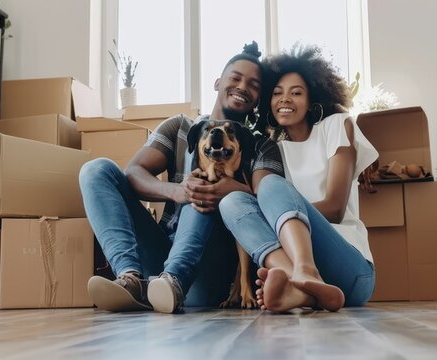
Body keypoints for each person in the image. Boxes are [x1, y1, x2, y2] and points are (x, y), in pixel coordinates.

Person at [80, 42, 284, 314]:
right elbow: (134, 173)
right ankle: (130, 280)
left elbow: (269, 199)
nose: (243, 87)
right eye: (235, 78)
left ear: (258, 98)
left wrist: (226, 188)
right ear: (217, 82)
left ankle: (175, 280)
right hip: (161, 251)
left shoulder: (262, 146)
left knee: (206, 183)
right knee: (96, 171)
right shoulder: (180, 126)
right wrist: (177, 190)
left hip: (209, 270)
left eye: (254, 84)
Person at [218, 45, 378, 312]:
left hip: (351, 270)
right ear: (268, 101)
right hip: (319, 282)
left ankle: (303, 271)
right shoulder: (273, 150)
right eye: (277, 93)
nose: (285, 99)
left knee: (270, 186)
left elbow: (336, 208)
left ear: (312, 98)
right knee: (231, 202)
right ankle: (301, 289)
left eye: (296, 93)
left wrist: (278, 215)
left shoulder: (337, 126)